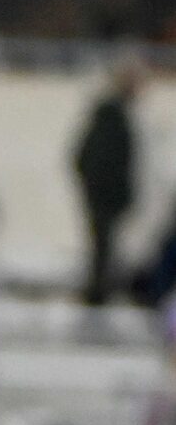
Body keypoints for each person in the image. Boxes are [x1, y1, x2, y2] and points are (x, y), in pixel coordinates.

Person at [73, 61, 143, 307]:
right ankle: (97, 294)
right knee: (102, 247)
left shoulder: (114, 113)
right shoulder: (112, 115)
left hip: (104, 194)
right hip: (104, 195)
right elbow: (99, 159)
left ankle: (99, 292)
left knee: (103, 247)